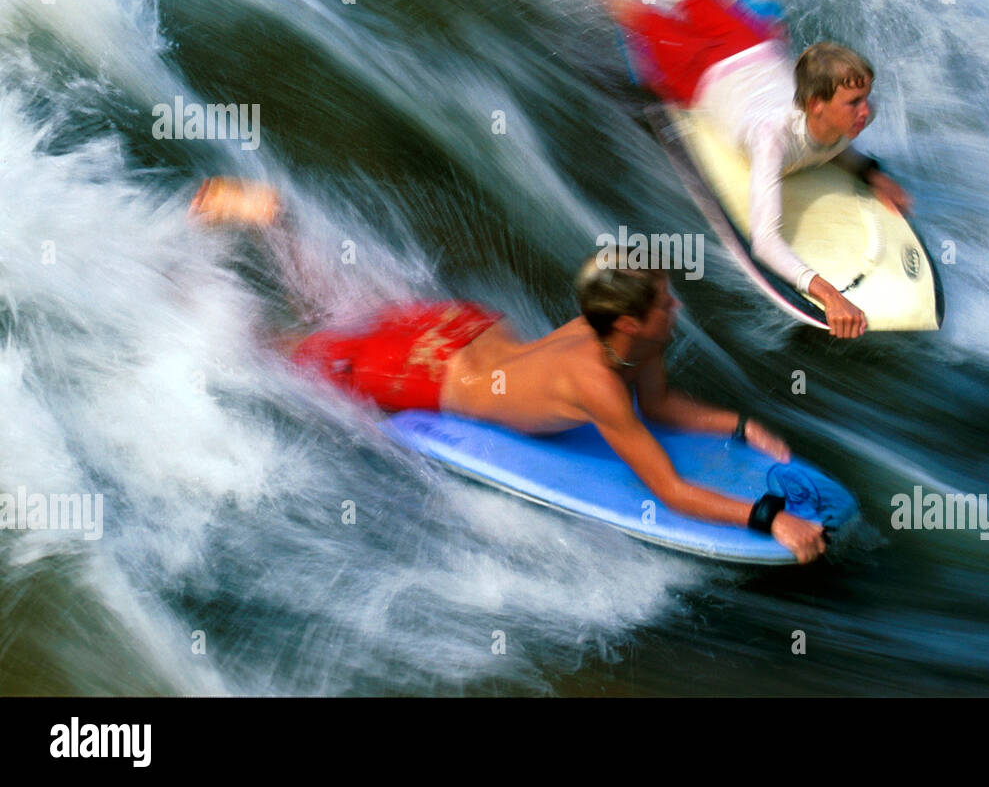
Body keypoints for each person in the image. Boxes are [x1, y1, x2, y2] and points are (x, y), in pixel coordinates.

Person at [189, 178, 827, 563]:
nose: (676, 306)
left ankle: (277, 224)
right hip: (424, 371)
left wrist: (737, 424)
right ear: (631, 323)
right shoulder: (597, 383)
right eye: (664, 301)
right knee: (275, 350)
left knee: (332, 311)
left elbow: (659, 408)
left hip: (458, 327)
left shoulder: (626, 334)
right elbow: (670, 492)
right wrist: (772, 516)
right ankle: (184, 298)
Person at [536, 0, 915, 339]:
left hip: (748, 46)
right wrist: (829, 293)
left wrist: (873, 173)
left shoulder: (831, 122)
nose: (867, 112)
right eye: (855, 102)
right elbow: (767, 242)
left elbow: (833, 146)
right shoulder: (770, 138)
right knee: (631, 10)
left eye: (865, 99)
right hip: (698, 71)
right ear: (817, 106)